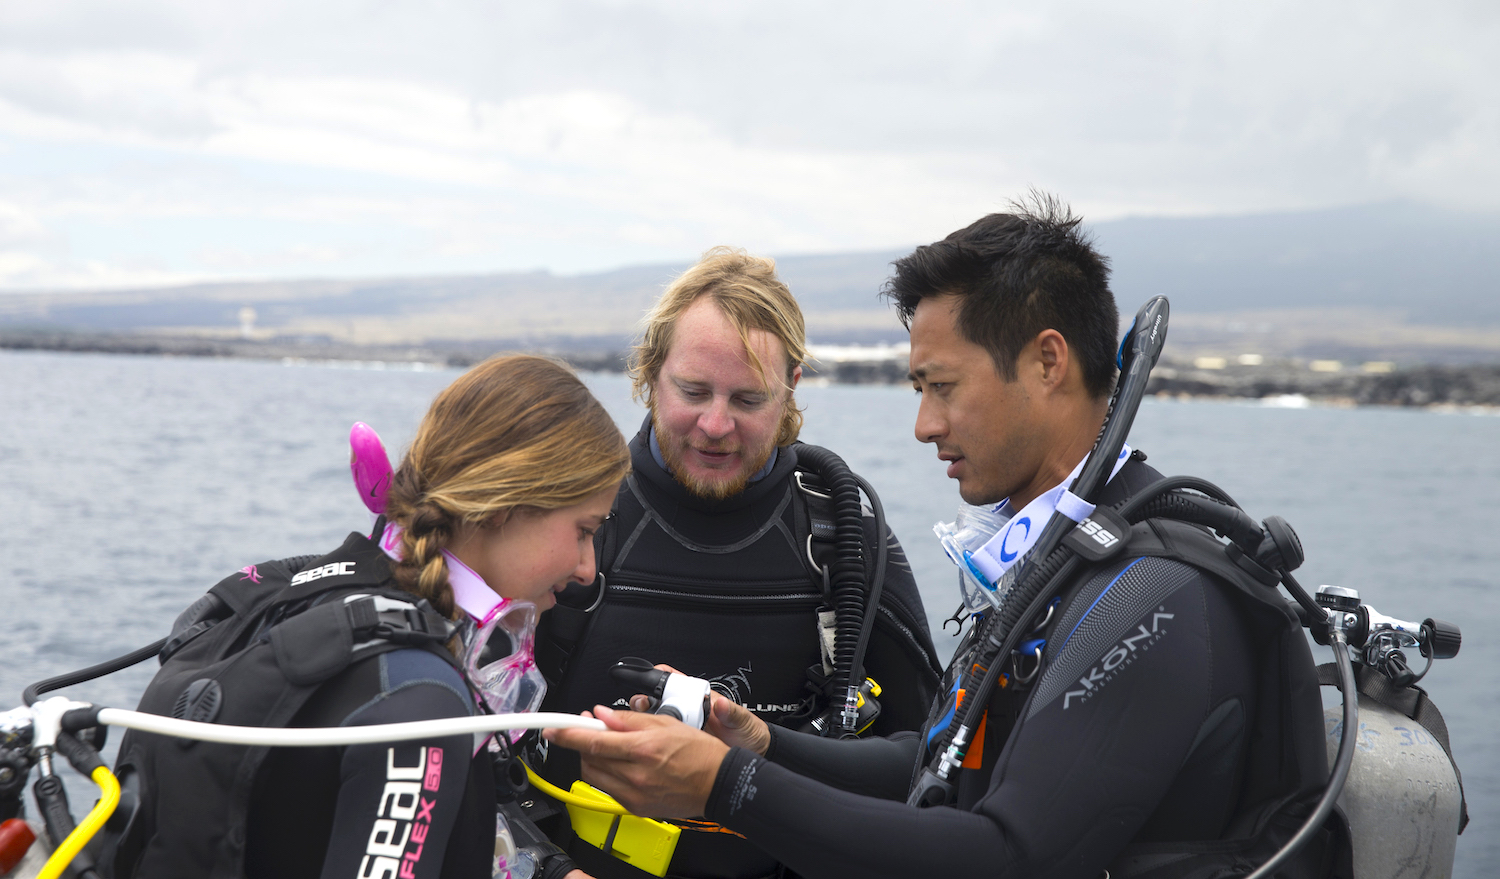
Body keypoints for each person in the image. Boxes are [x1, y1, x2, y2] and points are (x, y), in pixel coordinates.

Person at [545, 198, 1338, 879]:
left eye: (942, 387)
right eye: (919, 389)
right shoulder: (1066, 565)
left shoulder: (1151, 592)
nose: (924, 426)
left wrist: (727, 786)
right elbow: (936, 768)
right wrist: (761, 744)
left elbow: (1006, 858)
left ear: (1048, 362)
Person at [108, 355, 630, 879]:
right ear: (504, 506)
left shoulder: (325, 592)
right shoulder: (422, 702)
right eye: (584, 530)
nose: (587, 568)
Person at [533, 249, 942, 879]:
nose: (716, 424)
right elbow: (465, 751)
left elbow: (932, 767)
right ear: (650, 372)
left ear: (792, 388)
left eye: (749, 399)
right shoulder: (575, 524)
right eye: (693, 391)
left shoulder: (841, 540)